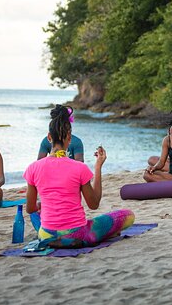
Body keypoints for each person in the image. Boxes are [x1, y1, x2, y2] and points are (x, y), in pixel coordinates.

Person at [25, 105, 134, 248]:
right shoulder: (79, 167)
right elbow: (94, 204)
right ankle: (90, 236)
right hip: (77, 233)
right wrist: (98, 166)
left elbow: (30, 209)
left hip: (46, 234)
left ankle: (54, 237)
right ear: (69, 138)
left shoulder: (33, 167)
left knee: (38, 214)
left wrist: (41, 205)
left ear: (49, 137)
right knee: (128, 215)